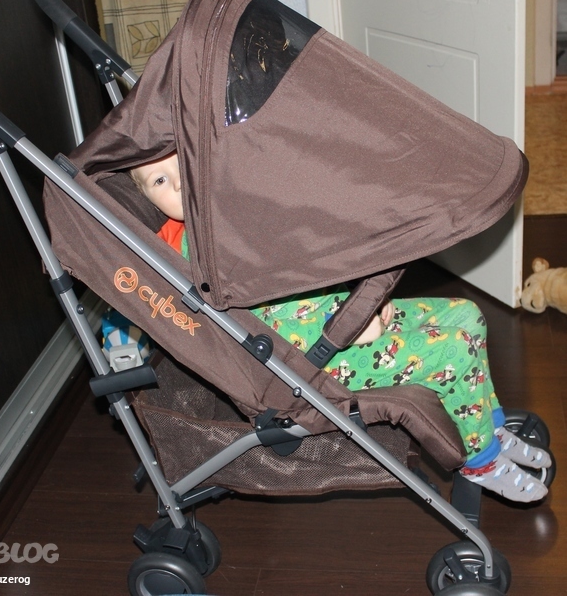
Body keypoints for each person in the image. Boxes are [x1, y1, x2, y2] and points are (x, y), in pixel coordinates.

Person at [129, 152, 552, 503]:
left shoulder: (237, 212)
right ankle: (482, 461)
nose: (179, 183)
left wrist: (362, 298)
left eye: (181, 164)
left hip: (340, 318)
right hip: (312, 359)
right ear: (147, 196)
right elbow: (271, 318)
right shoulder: (200, 255)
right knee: (453, 351)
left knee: (466, 314)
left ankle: (488, 425)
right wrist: (348, 326)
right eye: (159, 180)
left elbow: (311, 267)